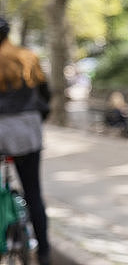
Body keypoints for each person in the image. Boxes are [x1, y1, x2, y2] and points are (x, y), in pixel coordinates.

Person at [0, 17, 52, 265]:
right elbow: (45, 95)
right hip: (29, 131)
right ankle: (44, 253)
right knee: (33, 192)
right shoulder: (27, 56)